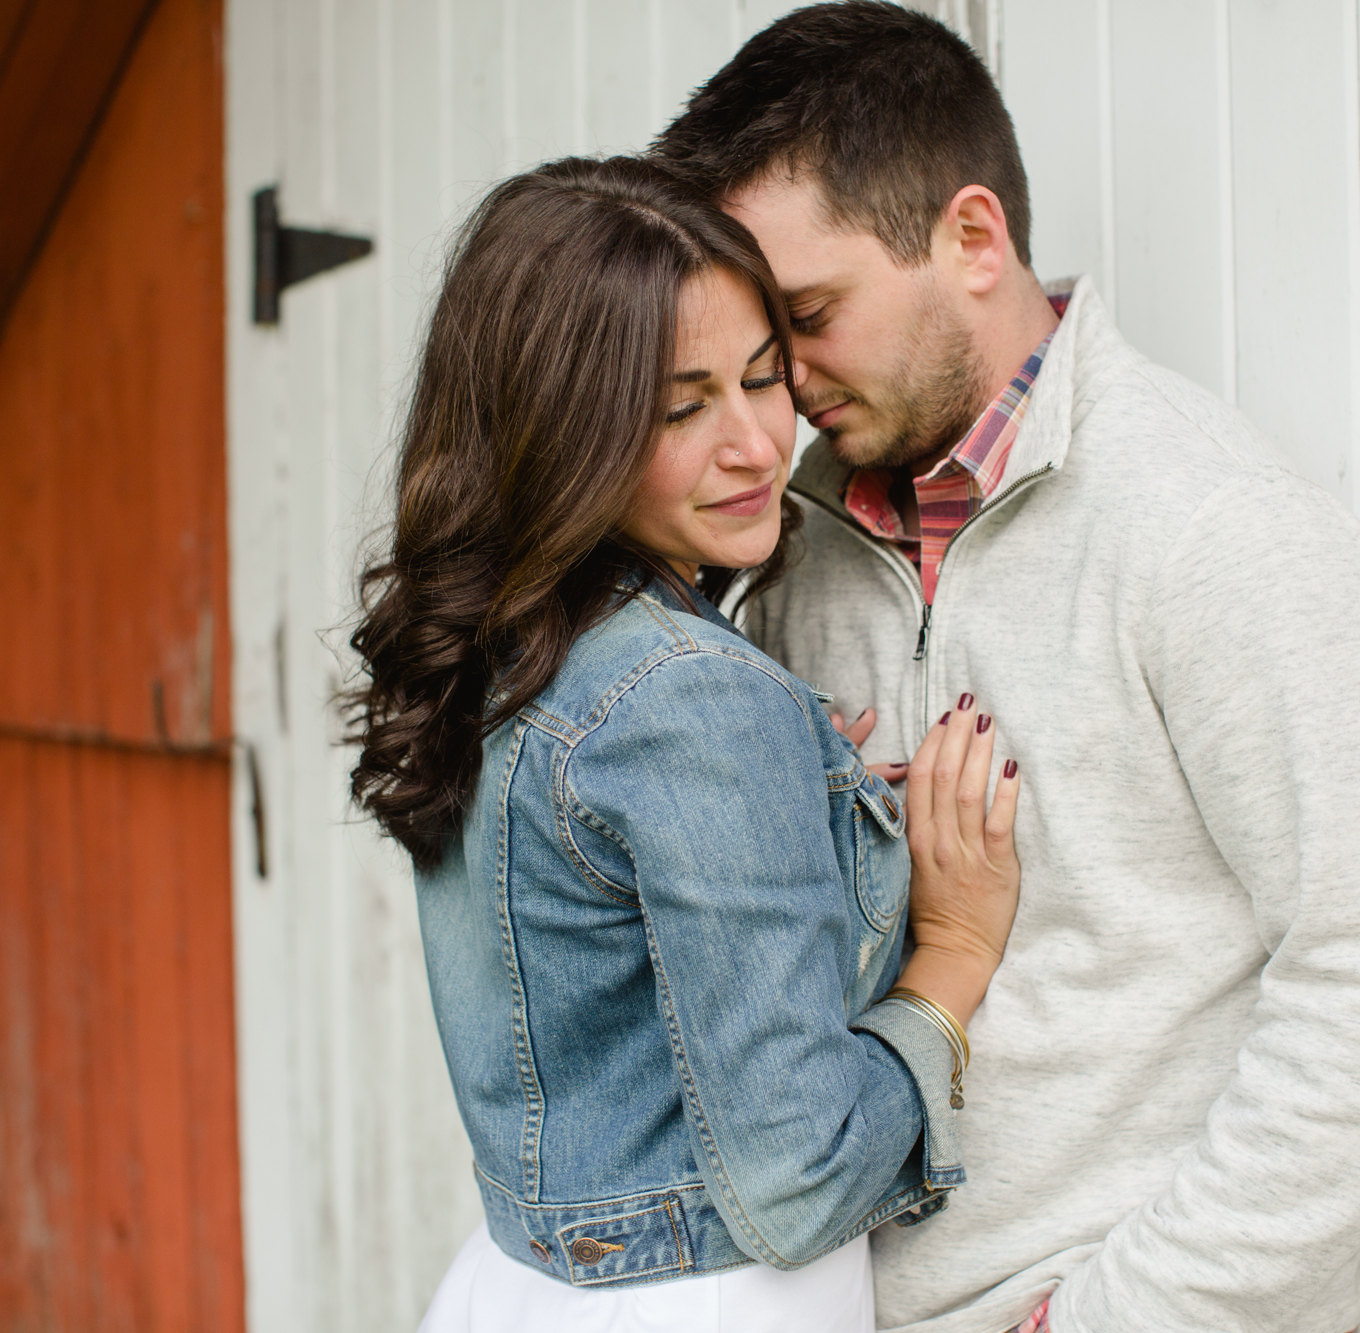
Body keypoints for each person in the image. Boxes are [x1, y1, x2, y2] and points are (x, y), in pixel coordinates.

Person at [652, 5, 1360, 1332]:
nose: (784, 385)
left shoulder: (1216, 532)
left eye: (809, 317)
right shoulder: (783, 551)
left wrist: (1119, 1316)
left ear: (970, 239)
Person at [345, 156, 1024, 1333]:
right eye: (679, 407)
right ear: (559, 434)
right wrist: (951, 957)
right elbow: (798, 1178)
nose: (759, 445)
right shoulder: (688, 695)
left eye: (763, 379)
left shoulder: (501, 640)